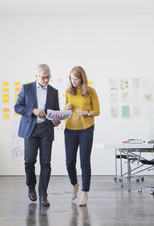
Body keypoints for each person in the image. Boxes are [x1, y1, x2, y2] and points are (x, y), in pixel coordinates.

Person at [14, 64, 61, 206]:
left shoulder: (53, 91)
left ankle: (43, 195)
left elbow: (56, 112)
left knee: (46, 163)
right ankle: (31, 186)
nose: (46, 80)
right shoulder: (26, 88)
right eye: (43, 77)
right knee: (29, 161)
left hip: (46, 130)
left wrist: (56, 120)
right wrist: (33, 110)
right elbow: (17, 107)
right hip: (31, 129)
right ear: (36, 76)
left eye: (48, 77)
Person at [64, 66, 100, 206]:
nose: (73, 81)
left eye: (76, 79)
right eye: (71, 79)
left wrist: (86, 113)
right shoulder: (68, 91)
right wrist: (66, 108)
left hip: (86, 129)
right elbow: (64, 112)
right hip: (70, 129)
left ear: (82, 78)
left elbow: (97, 111)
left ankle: (85, 193)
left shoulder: (91, 91)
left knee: (84, 161)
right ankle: (75, 184)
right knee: (69, 162)